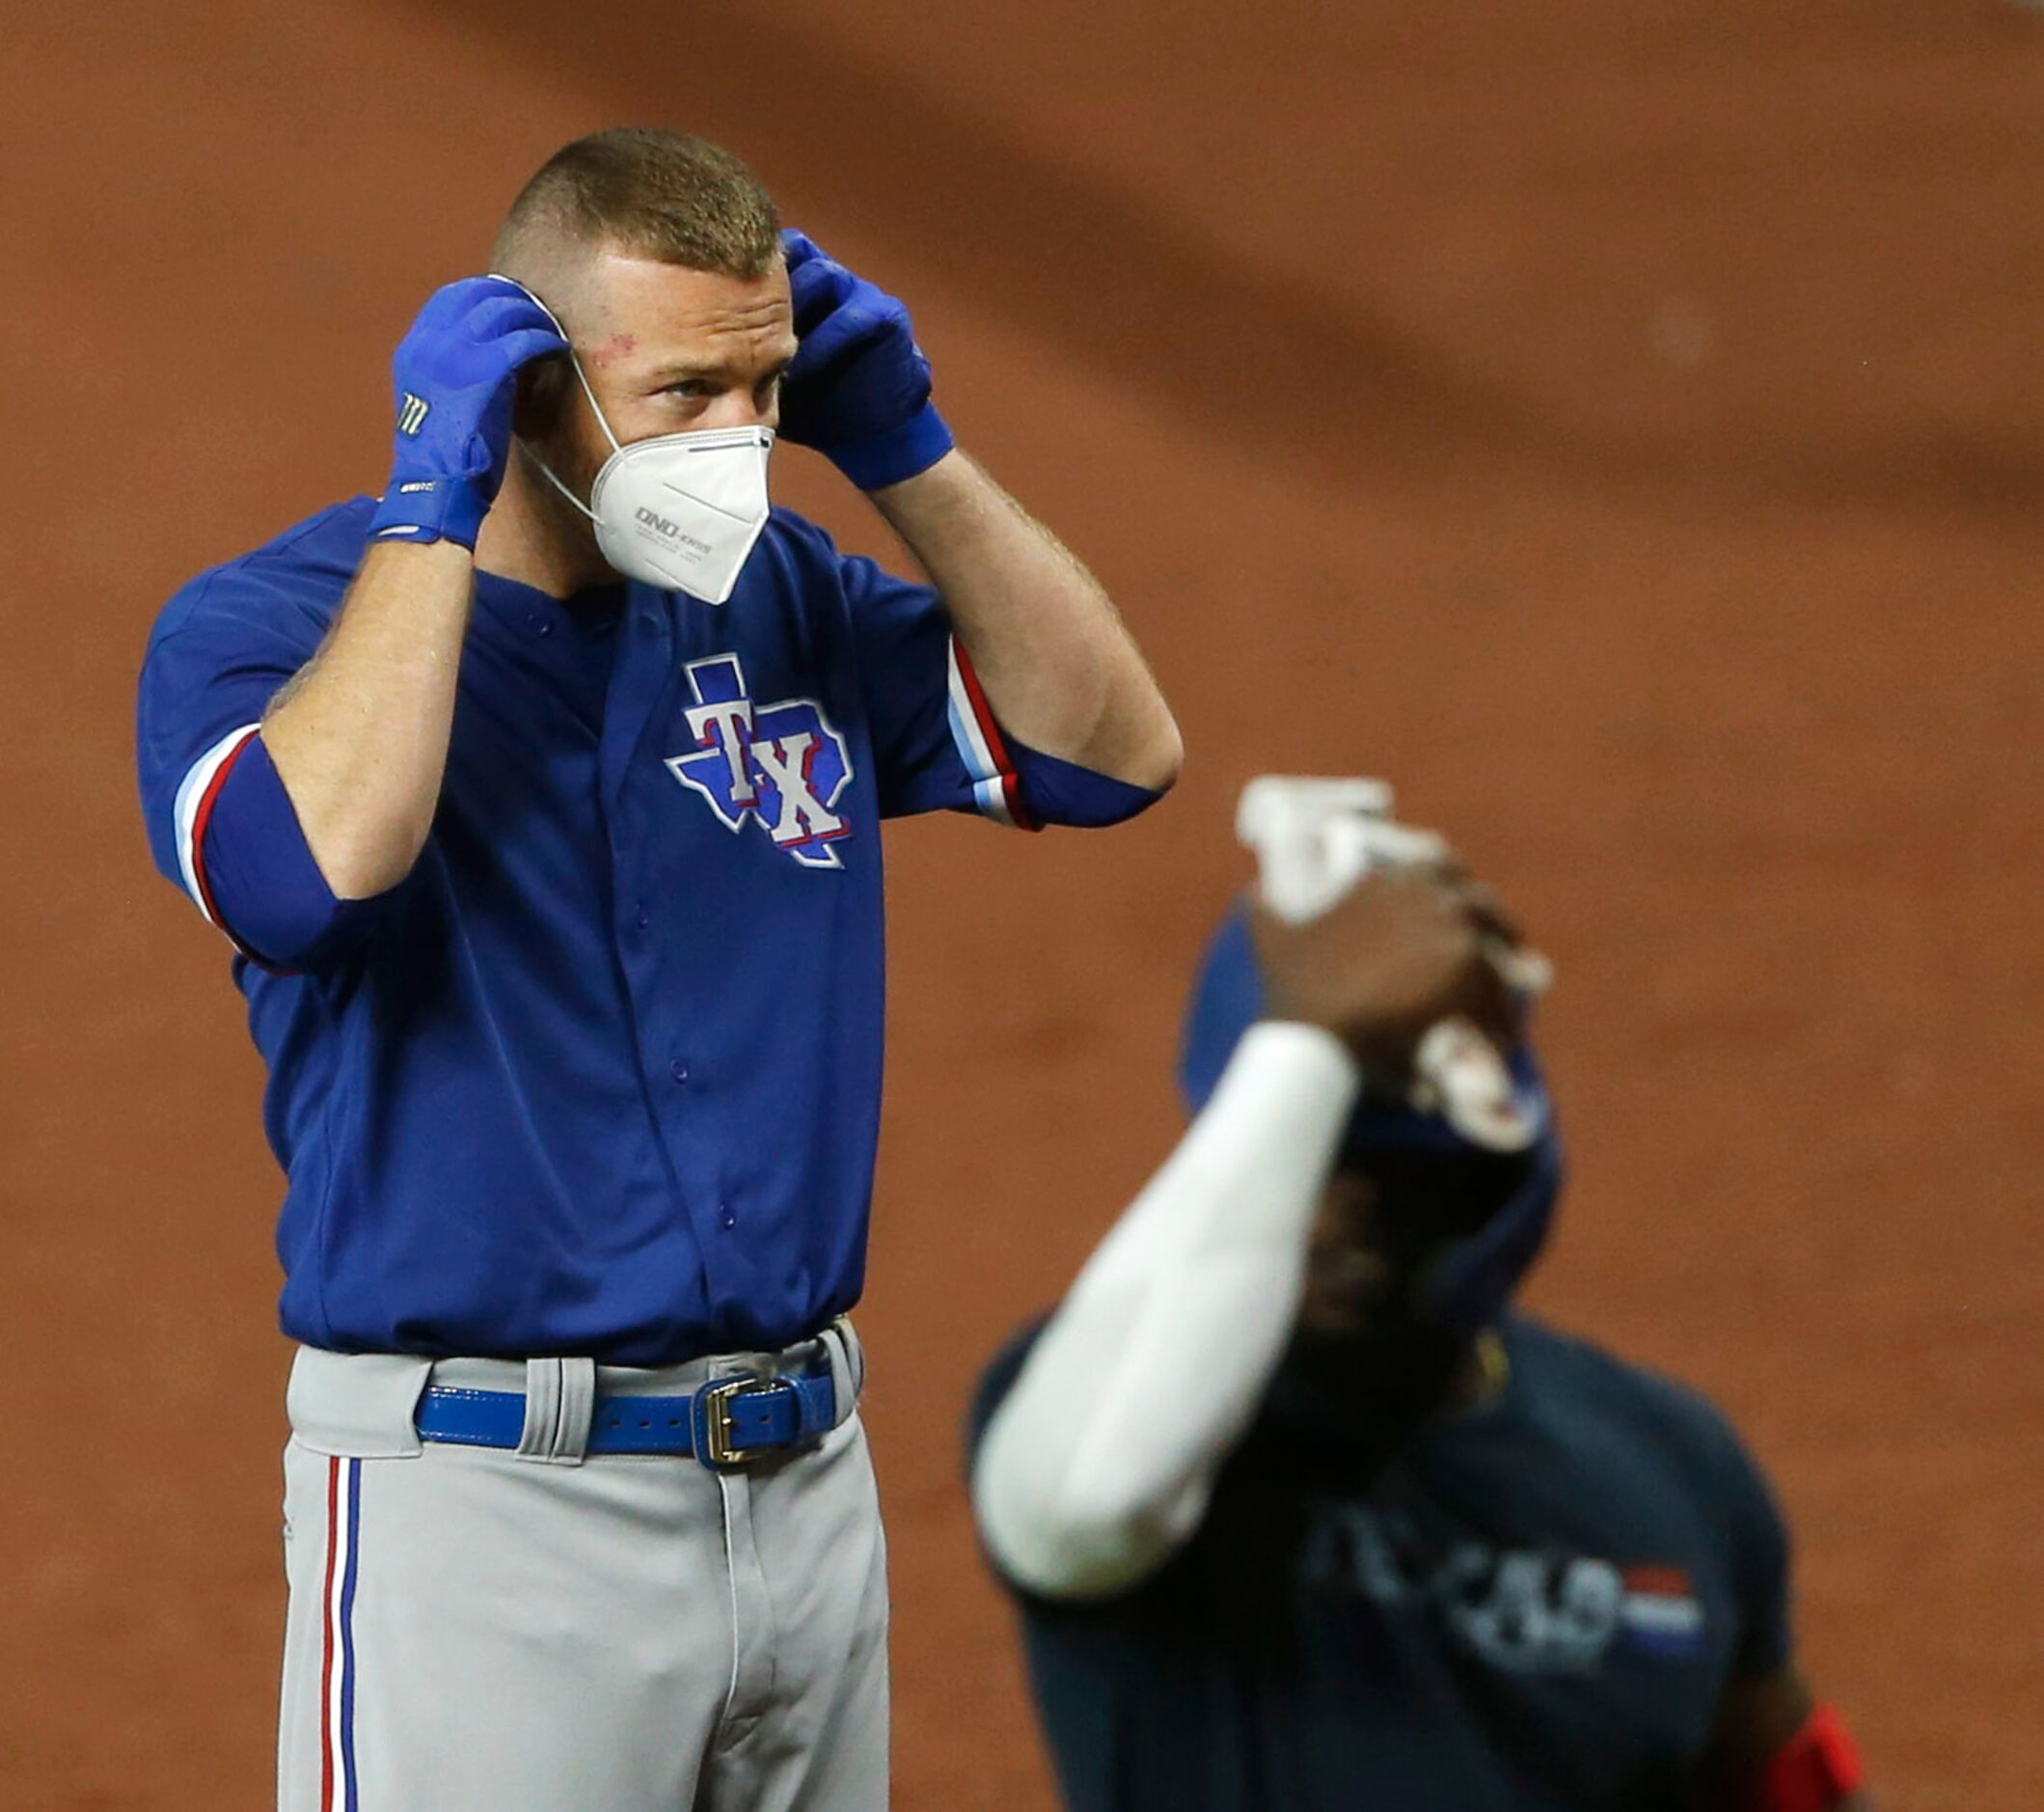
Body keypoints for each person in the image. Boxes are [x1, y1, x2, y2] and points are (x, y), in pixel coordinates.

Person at [135, 126, 1180, 1812]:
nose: (744, 447)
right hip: (487, 1514)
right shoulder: (262, 631)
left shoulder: (785, 599)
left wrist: (908, 446)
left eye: (769, 388)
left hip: (803, 1490)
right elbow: (312, 877)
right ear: (532, 392)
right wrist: (434, 506)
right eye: (686, 391)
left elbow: (1108, 750)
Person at [969, 846, 1871, 1811]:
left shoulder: (1674, 1462)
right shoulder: (1108, 1412)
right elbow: (1086, 1502)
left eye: (1392, 1176)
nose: (1336, 1222)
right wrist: (1307, 1048)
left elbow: (1784, 1774)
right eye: (1310, 1167)